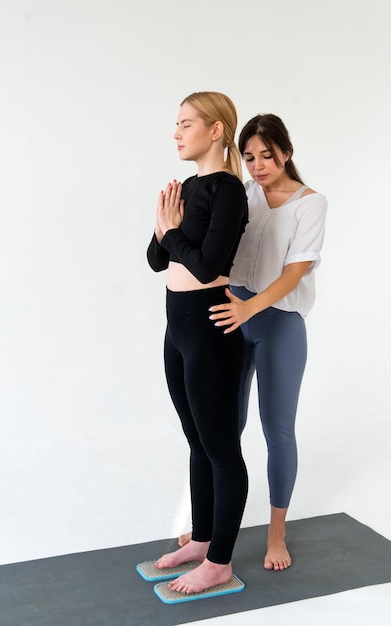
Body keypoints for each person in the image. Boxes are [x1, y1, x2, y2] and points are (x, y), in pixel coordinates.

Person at [180, 113, 327, 571]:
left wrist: (251, 307)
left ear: (286, 151)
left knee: (277, 431)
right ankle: (210, 529)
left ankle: (276, 532)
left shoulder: (310, 203)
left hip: (277, 323)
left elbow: (295, 272)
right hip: (230, 317)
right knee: (222, 430)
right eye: (249, 157)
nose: (259, 165)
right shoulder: (241, 193)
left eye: (267, 155)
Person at [146, 92, 249, 594]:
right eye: (177, 123)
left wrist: (170, 234)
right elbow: (158, 260)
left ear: (215, 130)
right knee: (196, 442)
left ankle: (220, 563)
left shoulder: (228, 190)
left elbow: (208, 266)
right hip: (177, 325)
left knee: (221, 447)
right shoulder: (186, 186)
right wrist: (161, 226)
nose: (177, 132)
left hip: (210, 328)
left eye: (186, 123)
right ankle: (203, 540)